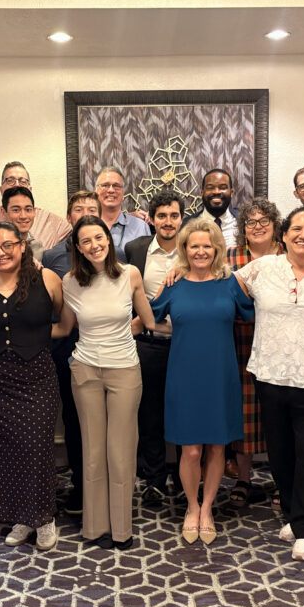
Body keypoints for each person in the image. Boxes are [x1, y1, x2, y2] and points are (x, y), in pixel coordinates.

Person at [233, 206, 304, 561]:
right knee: (281, 454)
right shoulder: (263, 267)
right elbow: (224, 284)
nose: (303, 235)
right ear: (283, 235)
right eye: (296, 228)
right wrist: (179, 271)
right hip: (272, 375)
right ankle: (293, 516)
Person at [148, 218, 254, 545]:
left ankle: (207, 509)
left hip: (221, 375)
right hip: (184, 375)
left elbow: (252, 313)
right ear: (185, 249)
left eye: (207, 245)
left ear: (217, 248)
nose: (201, 251)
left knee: (217, 447)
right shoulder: (174, 283)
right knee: (191, 450)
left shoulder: (230, 282)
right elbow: (150, 318)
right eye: (194, 246)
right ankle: (191, 507)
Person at [54, 216, 157, 550]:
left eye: (99, 238)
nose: (94, 245)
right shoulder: (70, 281)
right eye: (86, 241)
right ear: (78, 248)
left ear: (108, 239)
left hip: (124, 369)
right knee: (93, 452)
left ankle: (122, 529)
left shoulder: (130, 274)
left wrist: (120, 333)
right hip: (85, 371)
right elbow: (65, 327)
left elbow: (148, 320)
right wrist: (23, 331)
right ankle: (95, 526)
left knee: (120, 451)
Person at [0, 222, 63, 550]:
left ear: (22, 246)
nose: (1, 252)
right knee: (4, 452)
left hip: (36, 377)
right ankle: (22, 518)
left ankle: (44, 518)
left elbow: (65, 323)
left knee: (36, 449)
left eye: (8, 245)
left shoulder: (46, 278)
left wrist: (34, 339)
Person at [42, 191, 101, 515]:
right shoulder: (52, 256)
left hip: (106, 350)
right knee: (76, 422)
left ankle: (104, 488)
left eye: (92, 209)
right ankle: (81, 488)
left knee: (104, 423)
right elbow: (52, 307)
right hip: (68, 351)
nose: (85, 213)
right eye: (79, 209)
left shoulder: (113, 254)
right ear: (69, 217)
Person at [125, 190, 185, 505]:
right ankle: (155, 480)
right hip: (148, 345)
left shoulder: (194, 249)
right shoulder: (135, 249)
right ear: (152, 219)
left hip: (187, 346)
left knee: (185, 413)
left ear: (182, 218)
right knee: (149, 416)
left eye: (174, 215)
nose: (168, 221)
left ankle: (187, 479)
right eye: (161, 216)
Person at [224, 198, 282, 506]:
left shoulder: (288, 255)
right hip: (241, 345)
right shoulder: (230, 256)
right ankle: (244, 479)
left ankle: (282, 479)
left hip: (282, 349)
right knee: (245, 416)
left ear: (275, 225)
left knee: (279, 416)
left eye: (264, 221)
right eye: (251, 222)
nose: (257, 227)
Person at [0, 161, 70, 250]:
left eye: (23, 181)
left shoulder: (49, 221)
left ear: (30, 190)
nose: (17, 185)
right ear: (1, 190)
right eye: (10, 180)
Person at [94, 166, 152, 260]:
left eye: (116, 186)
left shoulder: (140, 227)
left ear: (123, 194)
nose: (111, 190)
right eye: (105, 185)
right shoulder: (87, 226)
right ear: (96, 192)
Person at [184, 169, 239, 247]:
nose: (216, 192)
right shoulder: (186, 226)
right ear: (202, 193)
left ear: (231, 193)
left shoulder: (245, 222)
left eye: (223, 188)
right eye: (210, 188)